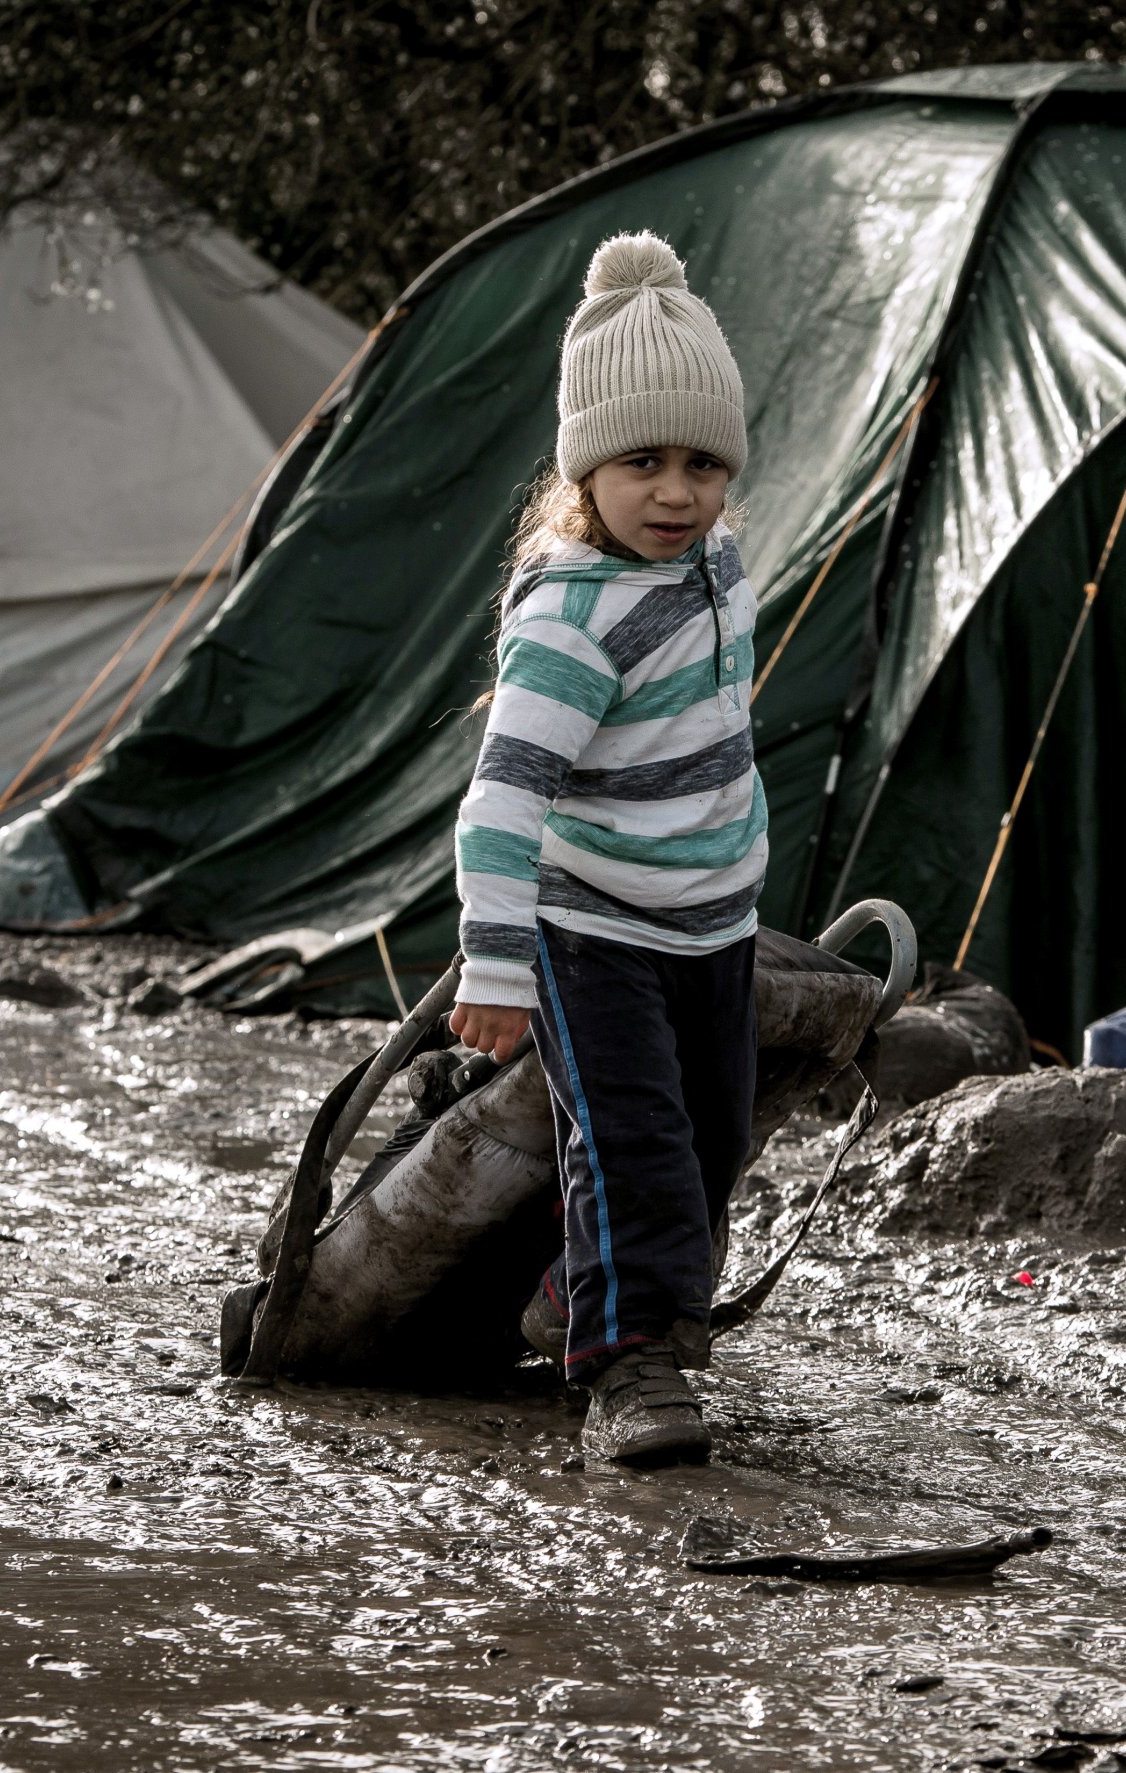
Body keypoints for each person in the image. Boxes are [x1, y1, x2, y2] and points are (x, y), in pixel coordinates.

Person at [446, 232, 763, 1468]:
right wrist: (494, 963)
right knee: (634, 1145)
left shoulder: (715, 567)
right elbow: (501, 802)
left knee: (714, 1143)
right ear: (588, 470)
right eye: (642, 463)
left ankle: (575, 1298)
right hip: (595, 931)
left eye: (701, 463)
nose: (676, 494)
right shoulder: (576, 620)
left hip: (712, 920)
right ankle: (629, 1372)